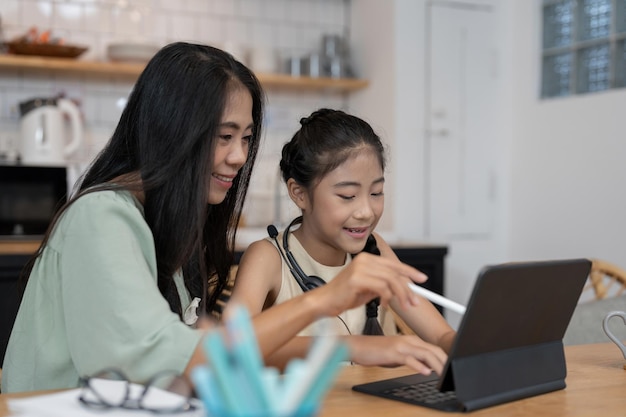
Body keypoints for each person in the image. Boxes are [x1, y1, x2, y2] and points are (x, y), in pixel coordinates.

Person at [1, 43, 426, 393]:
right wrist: (323, 301)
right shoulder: (100, 218)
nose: (239, 156)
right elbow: (173, 360)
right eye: (224, 137)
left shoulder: (178, 226)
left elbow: (204, 352)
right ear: (174, 130)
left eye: (245, 138)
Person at [230, 108, 456, 372]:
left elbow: (440, 336)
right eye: (348, 196)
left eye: (376, 192)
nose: (366, 212)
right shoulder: (267, 257)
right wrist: (355, 346)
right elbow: (232, 348)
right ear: (299, 193)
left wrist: (469, 344)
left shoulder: (375, 248)